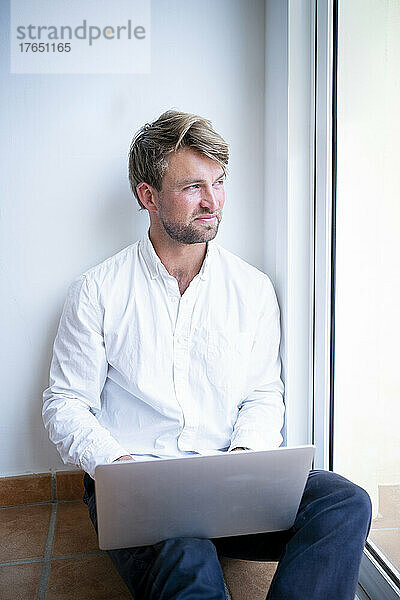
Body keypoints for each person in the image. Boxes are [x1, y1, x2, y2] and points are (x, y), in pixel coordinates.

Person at [42, 109, 372, 600]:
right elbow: (65, 403)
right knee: (187, 554)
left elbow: (263, 393)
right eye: (193, 186)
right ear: (147, 197)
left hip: (231, 480)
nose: (212, 201)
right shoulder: (98, 291)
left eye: (218, 182)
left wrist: (244, 461)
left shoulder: (252, 289)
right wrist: (121, 466)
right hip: (141, 484)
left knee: (345, 501)